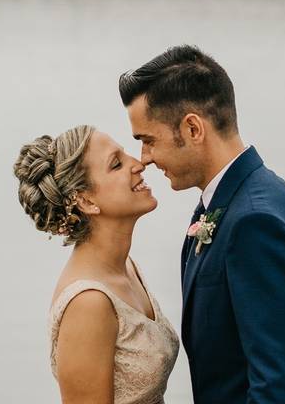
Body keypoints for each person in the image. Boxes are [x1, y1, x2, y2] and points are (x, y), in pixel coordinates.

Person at [120, 46, 285, 404]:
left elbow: (277, 390)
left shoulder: (255, 222)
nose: (145, 158)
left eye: (148, 140)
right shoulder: (242, 199)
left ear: (193, 128)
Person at [12, 125, 179, 404]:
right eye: (117, 164)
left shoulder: (125, 267)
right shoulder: (88, 303)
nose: (138, 164)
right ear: (86, 200)